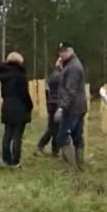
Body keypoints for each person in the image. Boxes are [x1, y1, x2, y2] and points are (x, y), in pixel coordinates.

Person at [0, 52, 33, 168]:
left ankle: (5, 159)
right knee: (17, 136)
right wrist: (30, 105)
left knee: (7, 134)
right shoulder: (20, 76)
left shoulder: (3, 76)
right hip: (20, 106)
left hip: (7, 105)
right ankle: (15, 160)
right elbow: (24, 94)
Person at [54, 42, 88, 171]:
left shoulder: (73, 67)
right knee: (77, 136)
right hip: (78, 106)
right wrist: (60, 69)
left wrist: (62, 107)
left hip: (72, 108)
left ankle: (72, 167)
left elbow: (70, 90)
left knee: (63, 136)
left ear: (71, 51)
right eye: (60, 52)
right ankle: (79, 165)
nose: (61, 54)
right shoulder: (71, 65)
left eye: (64, 51)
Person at [36, 58, 63, 157]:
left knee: (54, 128)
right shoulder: (62, 76)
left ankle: (54, 150)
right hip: (57, 103)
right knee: (53, 128)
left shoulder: (53, 75)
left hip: (51, 103)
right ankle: (41, 145)